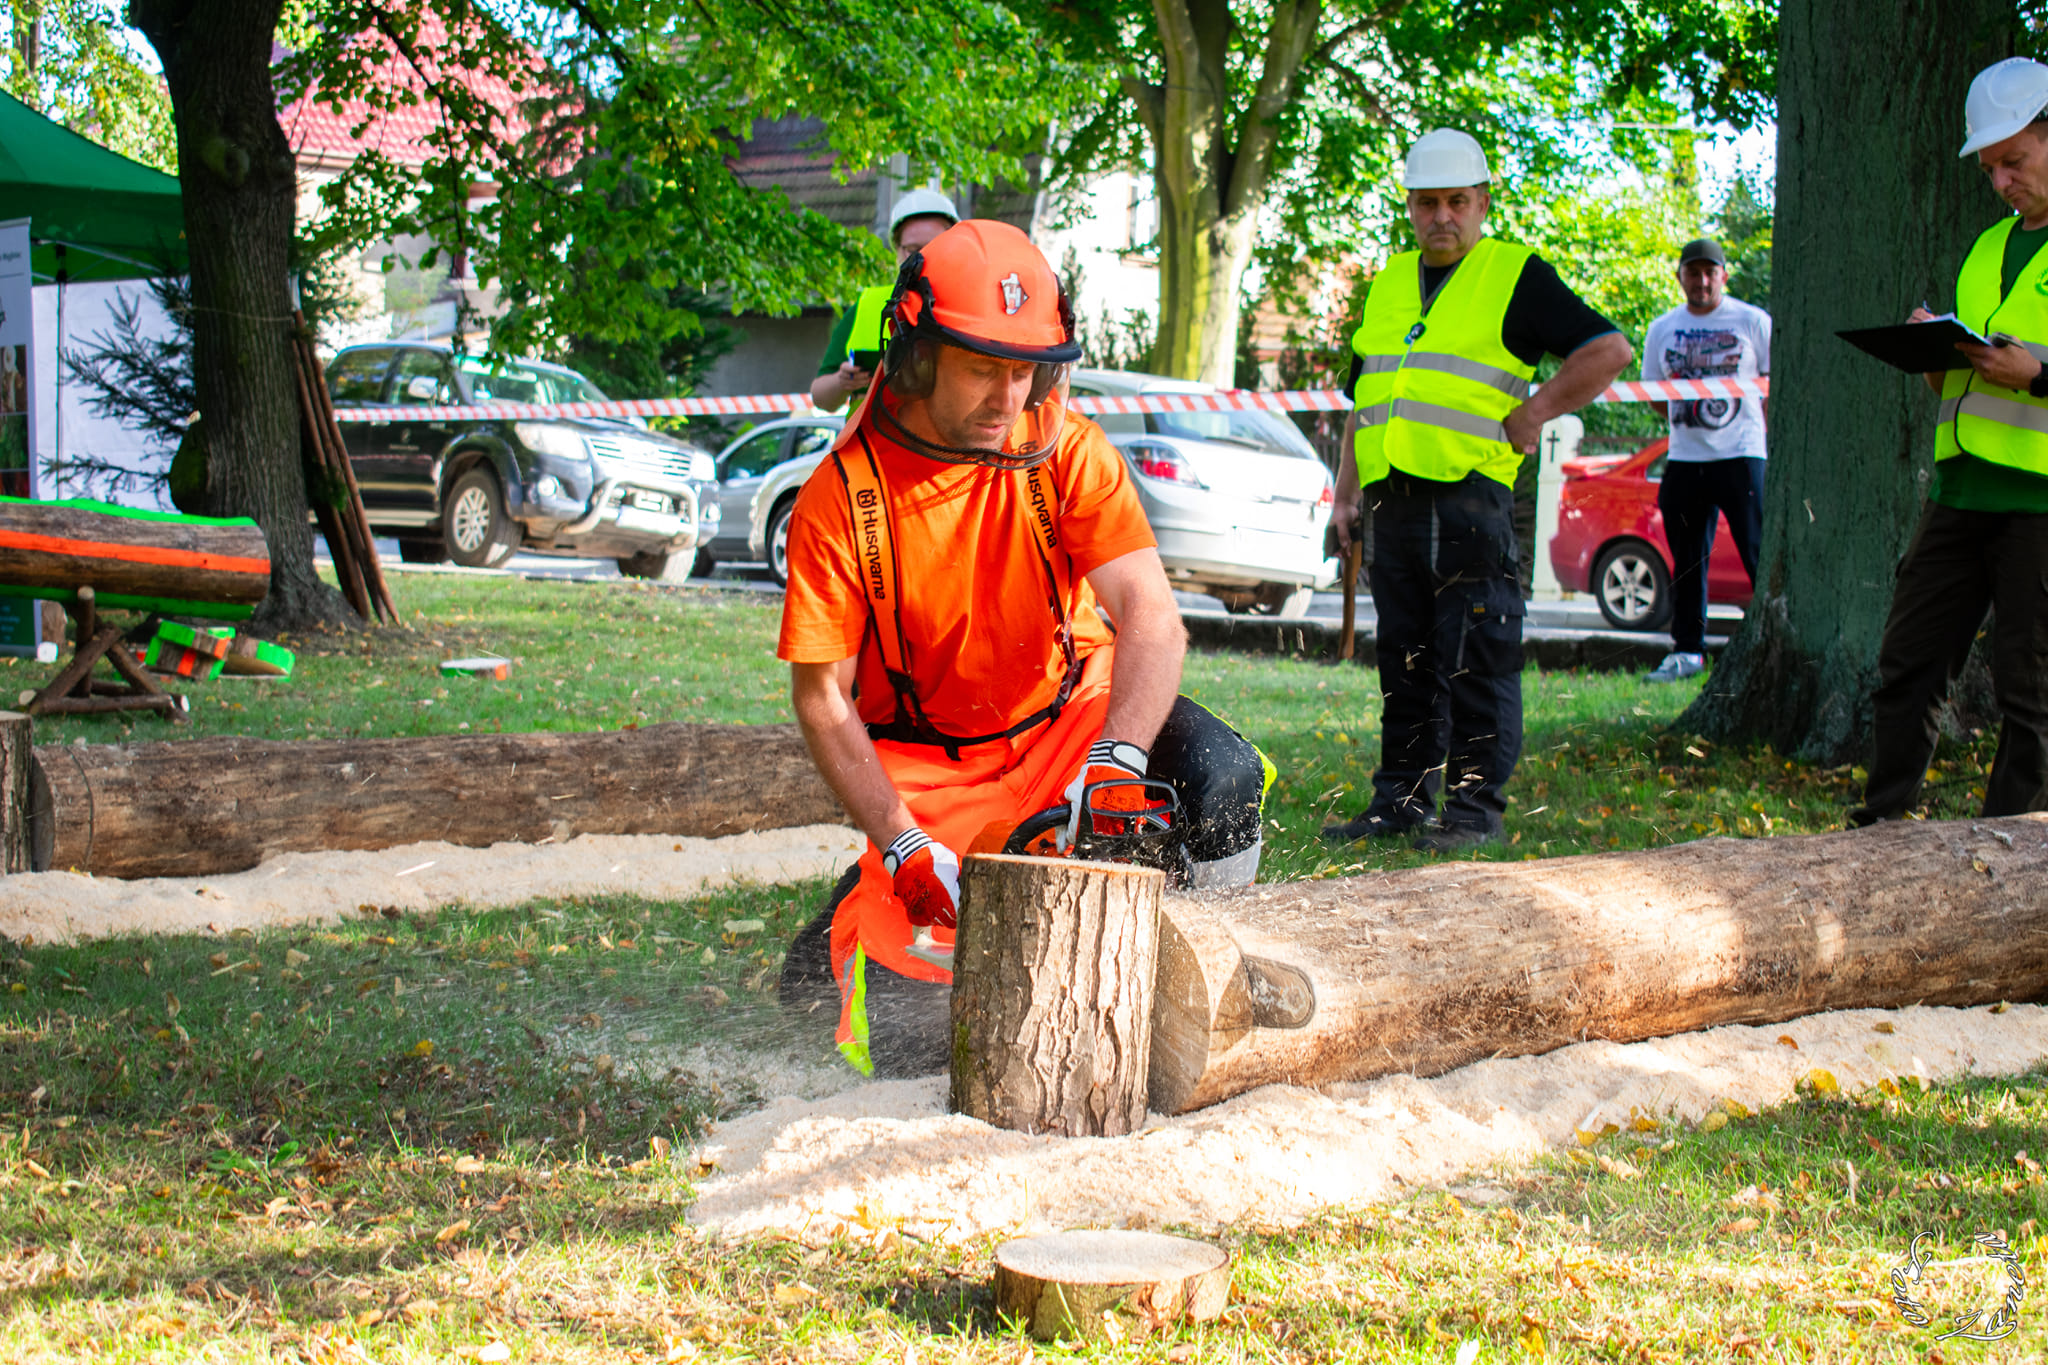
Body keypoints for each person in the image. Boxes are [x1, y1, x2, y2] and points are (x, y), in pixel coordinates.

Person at [776, 219, 1271, 1076]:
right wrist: (899, 839)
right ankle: (842, 922)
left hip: (1068, 716)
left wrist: (1117, 754)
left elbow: (1151, 615)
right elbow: (821, 696)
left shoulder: (1065, 451)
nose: (1008, 399)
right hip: (931, 770)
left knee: (1220, 778)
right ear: (918, 356)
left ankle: (1203, 985)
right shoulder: (839, 499)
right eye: (981, 369)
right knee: (904, 1027)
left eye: (1023, 370)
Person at [1321, 129, 1632, 852]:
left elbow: (1608, 349)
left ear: (1482, 203)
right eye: (1427, 203)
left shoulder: (1515, 274)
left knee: (1477, 660)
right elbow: (1362, 399)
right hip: (1390, 501)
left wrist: (1537, 410)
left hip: (1470, 501)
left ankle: (1471, 813)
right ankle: (1397, 802)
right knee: (1405, 659)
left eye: (1456, 202)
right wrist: (1344, 493)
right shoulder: (1390, 282)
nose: (1441, 217)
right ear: (1409, 206)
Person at [1850, 57, 2048, 827]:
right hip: (1958, 498)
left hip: (2038, 505)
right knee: (1907, 664)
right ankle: (1880, 833)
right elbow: (1958, 384)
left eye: (2015, 161)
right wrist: (1934, 354)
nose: (2001, 181)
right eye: (1991, 168)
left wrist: (2036, 375)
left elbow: (2026, 370)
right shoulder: (1986, 249)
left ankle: (2017, 863)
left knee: (2029, 694)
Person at [1640, 239, 1771, 683]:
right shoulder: (1661, 328)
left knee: (1759, 549)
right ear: (1680, 277)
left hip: (1742, 455)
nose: (1701, 281)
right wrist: (1686, 416)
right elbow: (1655, 394)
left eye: (1709, 272)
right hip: (1685, 457)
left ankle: (1774, 642)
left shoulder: (1753, 321)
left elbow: (1774, 387)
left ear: (1723, 275)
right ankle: (1687, 651)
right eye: (1692, 273)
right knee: (1688, 558)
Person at [809, 189, 960, 412]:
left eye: (935, 247)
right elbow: (821, 398)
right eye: (913, 250)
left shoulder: (976, 307)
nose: (924, 257)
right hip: (872, 446)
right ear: (897, 251)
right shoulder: (867, 305)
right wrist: (842, 382)